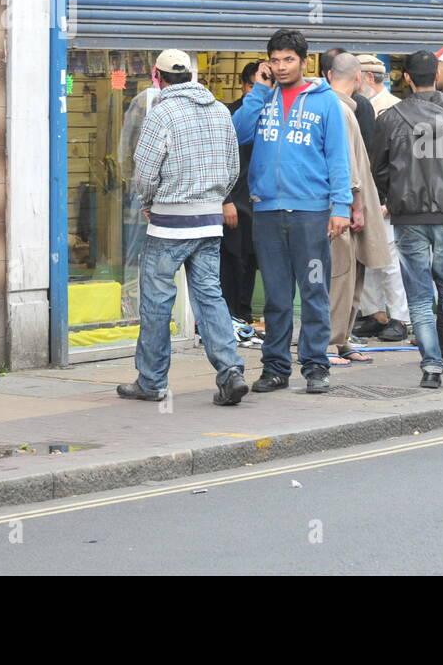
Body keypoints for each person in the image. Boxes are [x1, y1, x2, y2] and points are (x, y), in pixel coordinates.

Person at [118, 50, 248, 406]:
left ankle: (152, 380)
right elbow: (232, 166)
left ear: (155, 77)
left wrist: (148, 203)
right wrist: (215, 198)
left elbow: (144, 171)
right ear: (190, 75)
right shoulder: (221, 111)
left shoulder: (161, 113)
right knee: (210, 297)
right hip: (209, 222)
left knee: (157, 302)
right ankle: (230, 371)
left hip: (169, 224)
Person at [232, 29, 352, 396]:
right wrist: (257, 94)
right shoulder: (261, 98)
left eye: (289, 59)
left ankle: (316, 367)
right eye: (276, 59)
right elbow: (235, 135)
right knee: (276, 297)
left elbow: (338, 157)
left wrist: (342, 206)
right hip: (267, 212)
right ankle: (275, 368)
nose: (281, 67)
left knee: (314, 291)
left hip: (311, 213)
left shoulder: (325, 101)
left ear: (304, 61)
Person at [371, 50, 443, 388]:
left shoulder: (390, 119)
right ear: (436, 74)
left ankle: (432, 367)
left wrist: (392, 197)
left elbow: (379, 170)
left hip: (409, 215)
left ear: (406, 78)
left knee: (420, 294)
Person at [325, 54, 388, 366]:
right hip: (345, 207)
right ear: (360, 78)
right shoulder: (337, 110)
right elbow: (345, 165)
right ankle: (329, 342)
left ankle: (342, 339)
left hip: (349, 205)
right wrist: (356, 206)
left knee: (352, 274)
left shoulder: (344, 108)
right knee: (341, 274)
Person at [353, 54, 410, 342]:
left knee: (390, 260)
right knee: (367, 256)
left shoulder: (392, 110)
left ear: (366, 78)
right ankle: (374, 313)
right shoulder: (360, 107)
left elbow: (401, 162)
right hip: (364, 194)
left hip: (385, 198)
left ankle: (399, 317)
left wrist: (390, 198)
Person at [221, 61, 261, 324]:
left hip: (259, 202)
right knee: (232, 261)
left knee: (253, 260)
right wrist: (225, 200)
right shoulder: (229, 114)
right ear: (244, 85)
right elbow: (218, 158)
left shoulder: (272, 114)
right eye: (252, 86)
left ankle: (244, 315)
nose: (255, 92)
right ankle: (229, 316)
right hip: (235, 200)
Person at [322, 47, 376, 152]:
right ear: (358, 76)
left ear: (327, 74)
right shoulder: (361, 104)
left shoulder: (311, 102)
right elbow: (368, 148)